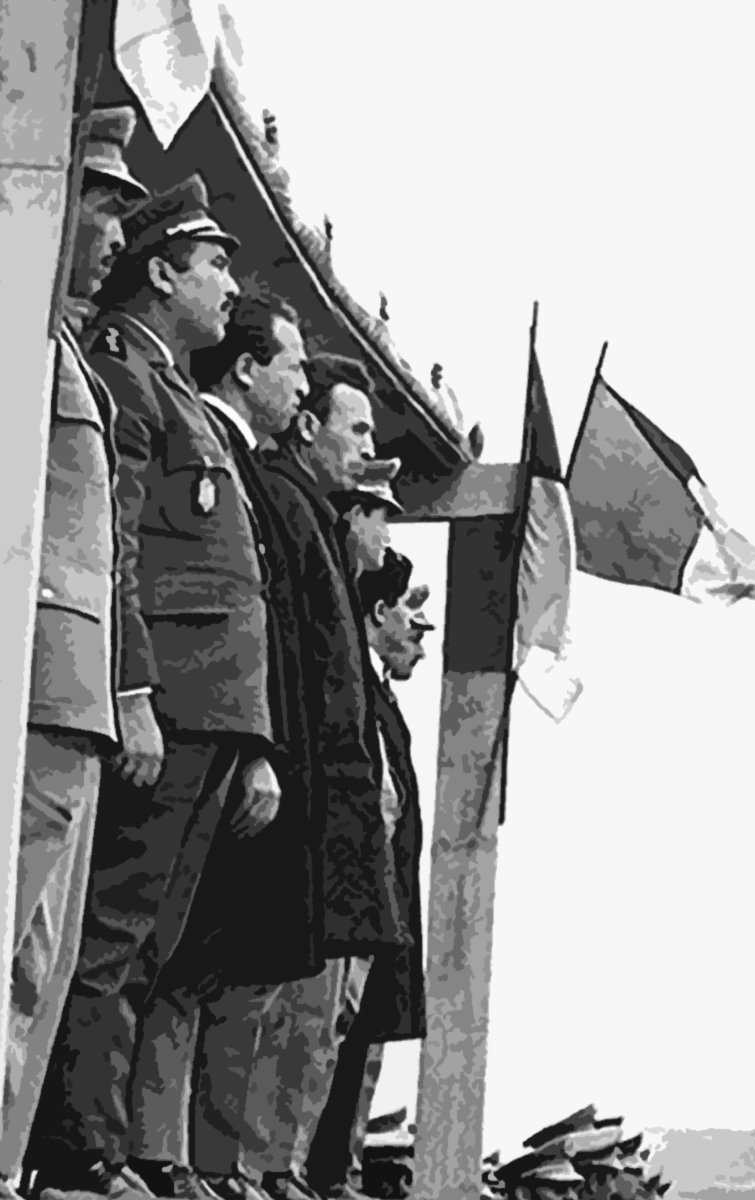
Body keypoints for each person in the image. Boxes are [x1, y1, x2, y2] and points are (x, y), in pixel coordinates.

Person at [29, 175, 282, 1200]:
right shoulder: (128, 375)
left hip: (210, 707)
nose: (228, 283)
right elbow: (116, 543)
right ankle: (80, 1151)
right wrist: (133, 687)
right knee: (116, 935)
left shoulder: (169, 384)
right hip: (169, 702)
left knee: (154, 946)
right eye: (213, 262)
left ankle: (114, 1145)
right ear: (161, 269)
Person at [120, 287, 321, 1200]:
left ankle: (160, 1157)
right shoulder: (203, 440)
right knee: (143, 943)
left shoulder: (254, 471)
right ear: (247, 368)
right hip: (183, 712)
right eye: (296, 368)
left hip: (222, 726)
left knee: (175, 952)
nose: (306, 393)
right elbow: (160, 570)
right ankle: (124, 1154)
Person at [0, 105, 149, 1200]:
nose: (113, 232)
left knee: (40, 955)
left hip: (72, 691)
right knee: (16, 941)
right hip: (38, 680)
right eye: (102, 203)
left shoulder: (60, 349)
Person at [234, 358, 410, 1200]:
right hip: (296, 808)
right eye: (361, 432)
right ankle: (252, 1167)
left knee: (318, 1023)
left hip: (331, 830)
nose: (378, 536)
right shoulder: (292, 510)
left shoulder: (313, 527)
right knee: (269, 1005)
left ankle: (281, 1170)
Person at [304, 552, 432, 1200]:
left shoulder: (378, 698)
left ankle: (336, 1174)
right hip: (349, 901)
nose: (422, 631)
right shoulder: (358, 695)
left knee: (358, 1043)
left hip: (377, 908)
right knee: (328, 1039)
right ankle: (317, 1174)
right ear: (377, 612)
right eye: (412, 611)